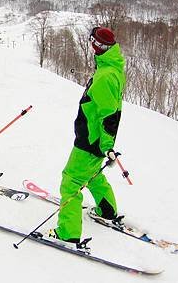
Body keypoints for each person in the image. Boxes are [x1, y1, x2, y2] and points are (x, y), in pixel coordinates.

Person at [50, 26, 125, 247]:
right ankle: (107, 210)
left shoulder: (105, 76)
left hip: (90, 139)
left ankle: (68, 232)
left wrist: (106, 144)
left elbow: (109, 116)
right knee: (93, 174)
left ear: (96, 45)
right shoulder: (112, 65)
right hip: (95, 139)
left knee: (71, 181)